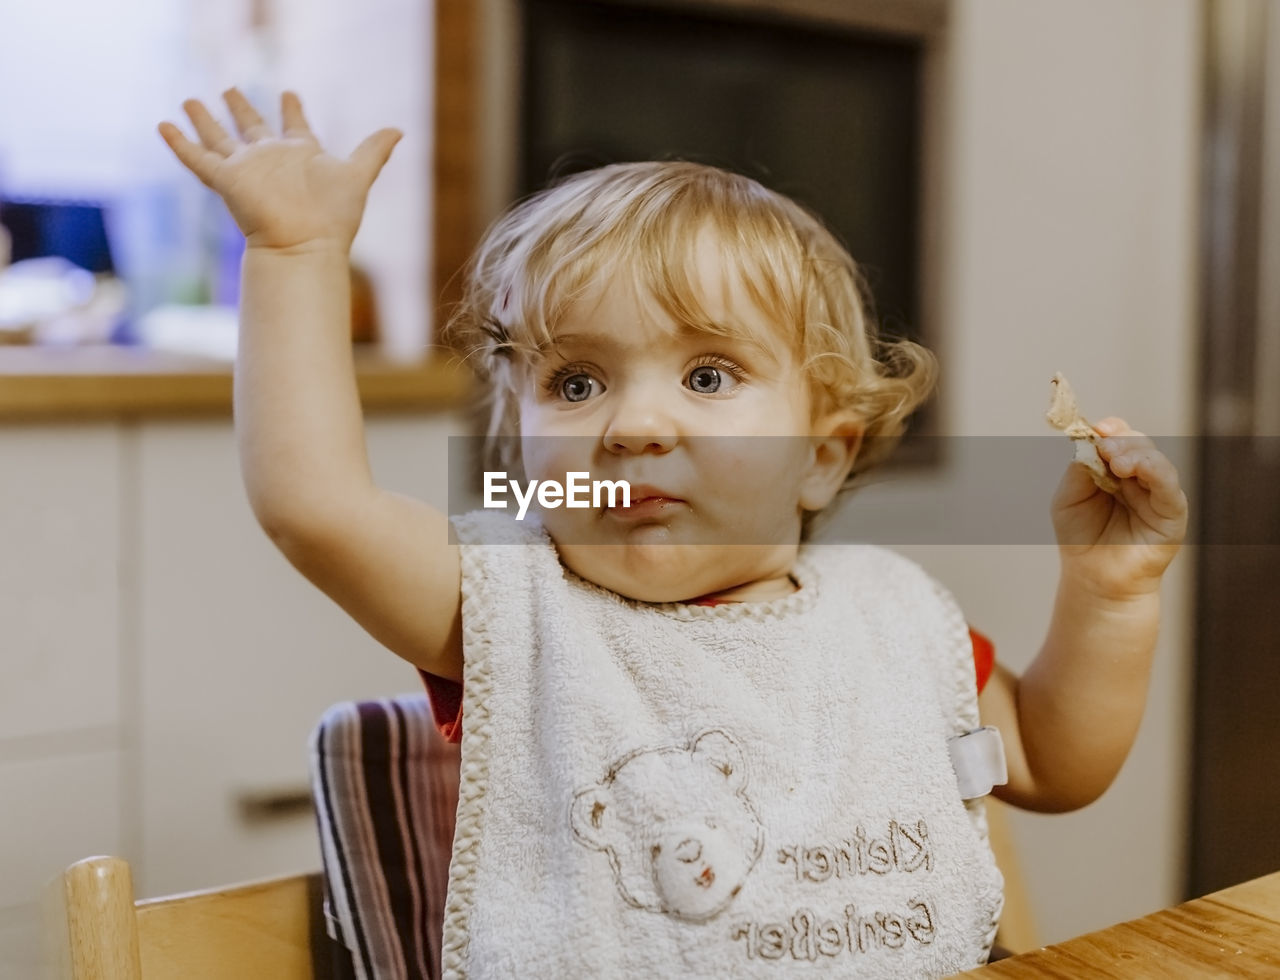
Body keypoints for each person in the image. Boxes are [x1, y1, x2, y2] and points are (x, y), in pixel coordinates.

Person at [159, 89, 1188, 978]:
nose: (634, 425)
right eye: (574, 381)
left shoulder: (891, 622)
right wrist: (295, 253)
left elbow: (1055, 761)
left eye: (706, 375)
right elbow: (314, 505)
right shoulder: (509, 607)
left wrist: (1109, 593)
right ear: (512, 453)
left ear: (821, 453)